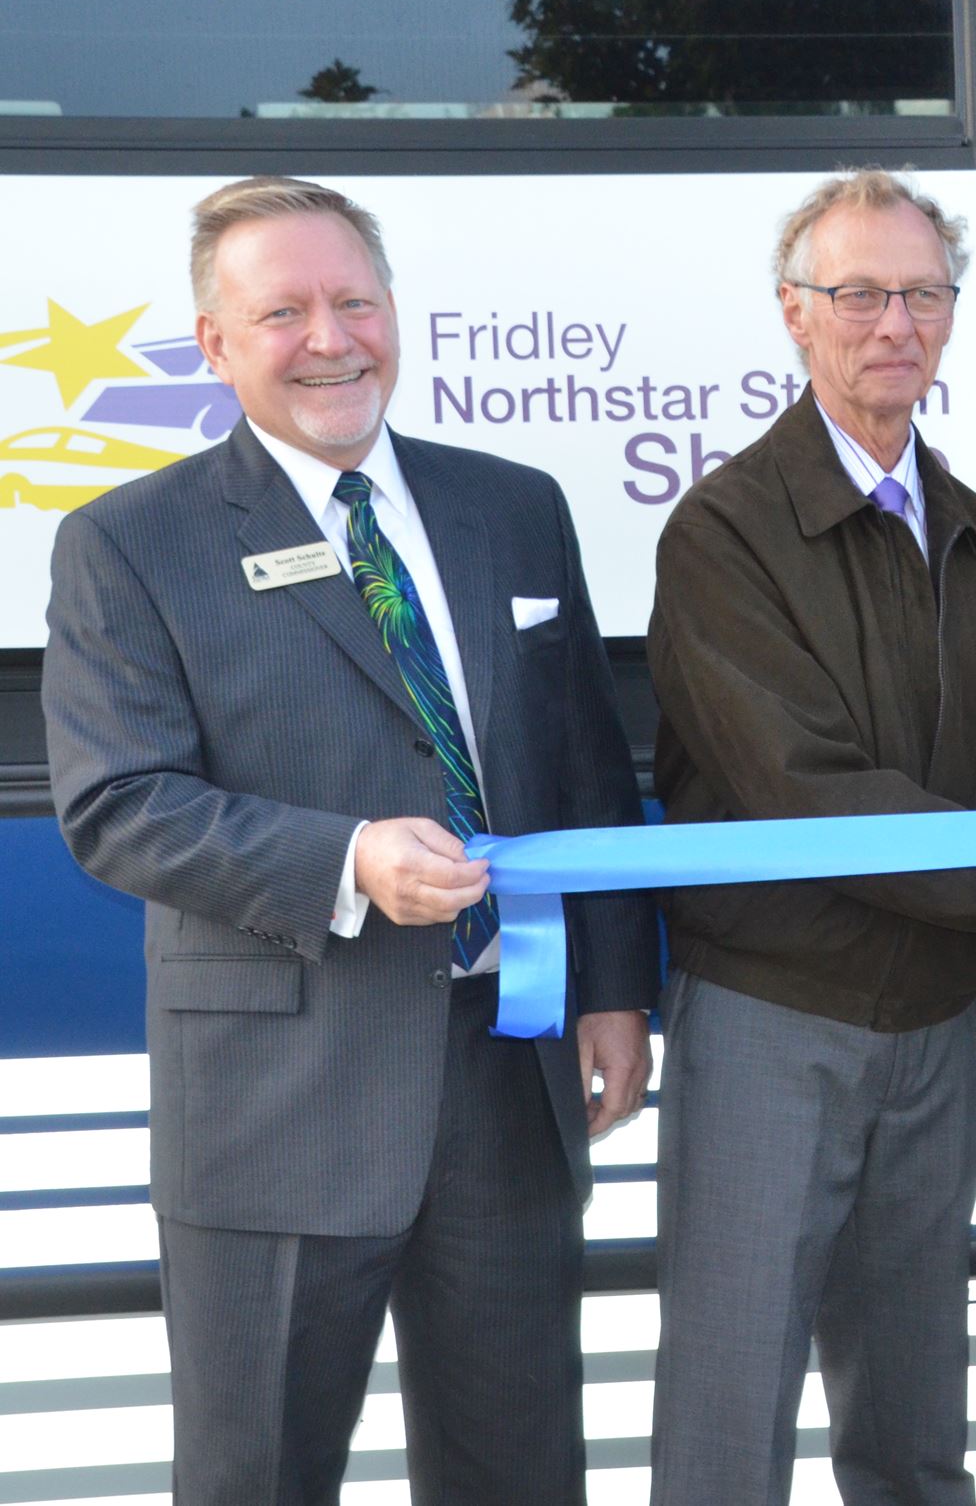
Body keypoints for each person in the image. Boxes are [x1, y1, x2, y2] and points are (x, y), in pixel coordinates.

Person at [42, 175, 659, 1504]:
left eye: (355, 301)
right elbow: (118, 802)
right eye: (284, 311)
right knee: (258, 1475)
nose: (332, 338)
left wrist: (615, 987)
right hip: (277, 1108)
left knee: (523, 1472)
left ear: (395, 313)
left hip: (509, 1082)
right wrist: (346, 860)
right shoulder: (127, 545)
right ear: (216, 344)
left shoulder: (514, 504)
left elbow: (584, 767)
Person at [644, 168, 976, 1505]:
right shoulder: (723, 531)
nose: (896, 322)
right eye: (861, 293)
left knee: (912, 1425)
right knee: (730, 1421)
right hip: (779, 1021)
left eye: (923, 294)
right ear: (796, 312)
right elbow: (809, 790)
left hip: (939, 1027)